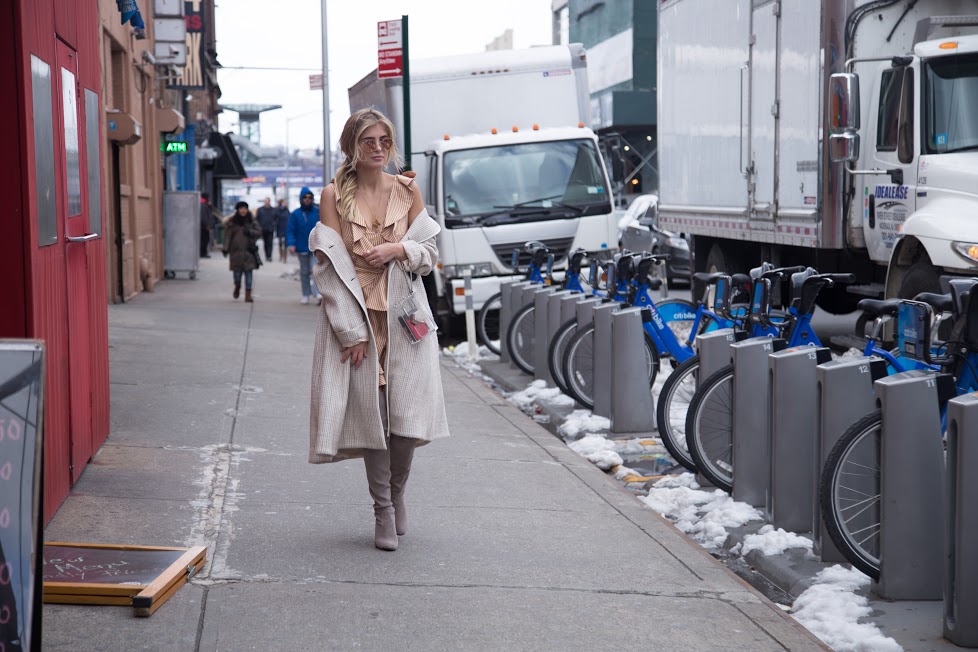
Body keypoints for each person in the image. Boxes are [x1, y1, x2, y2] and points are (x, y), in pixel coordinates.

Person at [308, 108, 449, 551]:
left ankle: (399, 491)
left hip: (407, 317)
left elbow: (430, 254)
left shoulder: (407, 191)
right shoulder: (333, 195)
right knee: (376, 417)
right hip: (358, 318)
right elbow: (328, 267)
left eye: (384, 140)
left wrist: (397, 249)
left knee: (406, 422)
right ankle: (382, 509)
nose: (378, 148)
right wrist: (350, 331)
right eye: (368, 140)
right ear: (351, 145)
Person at [287, 187, 322, 304]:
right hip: (301, 247)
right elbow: (290, 230)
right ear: (301, 199)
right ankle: (305, 294)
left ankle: (317, 293)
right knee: (304, 272)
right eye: (305, 198)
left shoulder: (318, 212)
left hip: (316, 248)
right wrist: (291, 244)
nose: (307, 200)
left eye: (309, 198)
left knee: (316, 271)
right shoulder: (295, 214)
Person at [222, 201, 261, 302]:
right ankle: (237, 286)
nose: (243, 210)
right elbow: (227, 237)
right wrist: (225, 248)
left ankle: (248, 294)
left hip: (249, 252)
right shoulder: (232, 222)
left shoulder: (251, 222)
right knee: (237, 275)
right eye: (241, 208)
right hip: (236, 253)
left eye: (245, 208)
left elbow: (258, 232)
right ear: (238, 210)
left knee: (249, 274)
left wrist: (249, 232)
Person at [255, 197, 277, 262]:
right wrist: (259, 226)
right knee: (265, 243)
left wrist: (274, 224)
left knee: (270, 242)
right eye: (265, 201)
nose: (266, 202)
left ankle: (269, 256)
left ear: (269, 202)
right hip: (263, 229)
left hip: (270, 229)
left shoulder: (273, 210)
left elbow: (276, 218)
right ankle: (267, 255)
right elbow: (257, 219)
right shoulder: (260, 209)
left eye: (268, 201)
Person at [199, 193, 217, 258]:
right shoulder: (203, 205)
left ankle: (203, 253)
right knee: (204, 240)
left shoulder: (205, 204)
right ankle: (202, 253)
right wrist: (207, 225)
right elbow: (203, 216)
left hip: (204, 227)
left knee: (205, 240)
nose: (209, 199)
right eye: (208, 198)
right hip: (204, 227)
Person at [274, 198, 291, 262]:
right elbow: (275, 218)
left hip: (286, 228)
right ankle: (281, 256)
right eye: (283, 202)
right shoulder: (277, 211)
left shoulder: (287, 211)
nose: (284, 204)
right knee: (280, 243)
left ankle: (285, 258)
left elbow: (290, 218)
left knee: (286, 244)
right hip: (280, 228)